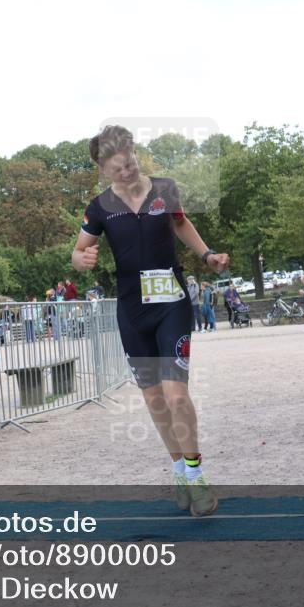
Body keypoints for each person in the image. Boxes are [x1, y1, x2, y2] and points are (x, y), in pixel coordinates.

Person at [72, 124, 229, 517]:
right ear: (104, 169)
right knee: (154, 398)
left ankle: (196, 474)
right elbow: (79, 250)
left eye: (131, 163)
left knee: (177, 394)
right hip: (132, 311)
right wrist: (82, 259)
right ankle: (178, 468)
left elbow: (179, 224)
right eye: (118, 168)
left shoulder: (165, 190)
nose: (128, 172)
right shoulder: (99, 207)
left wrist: (207, 254)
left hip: (171, 305)